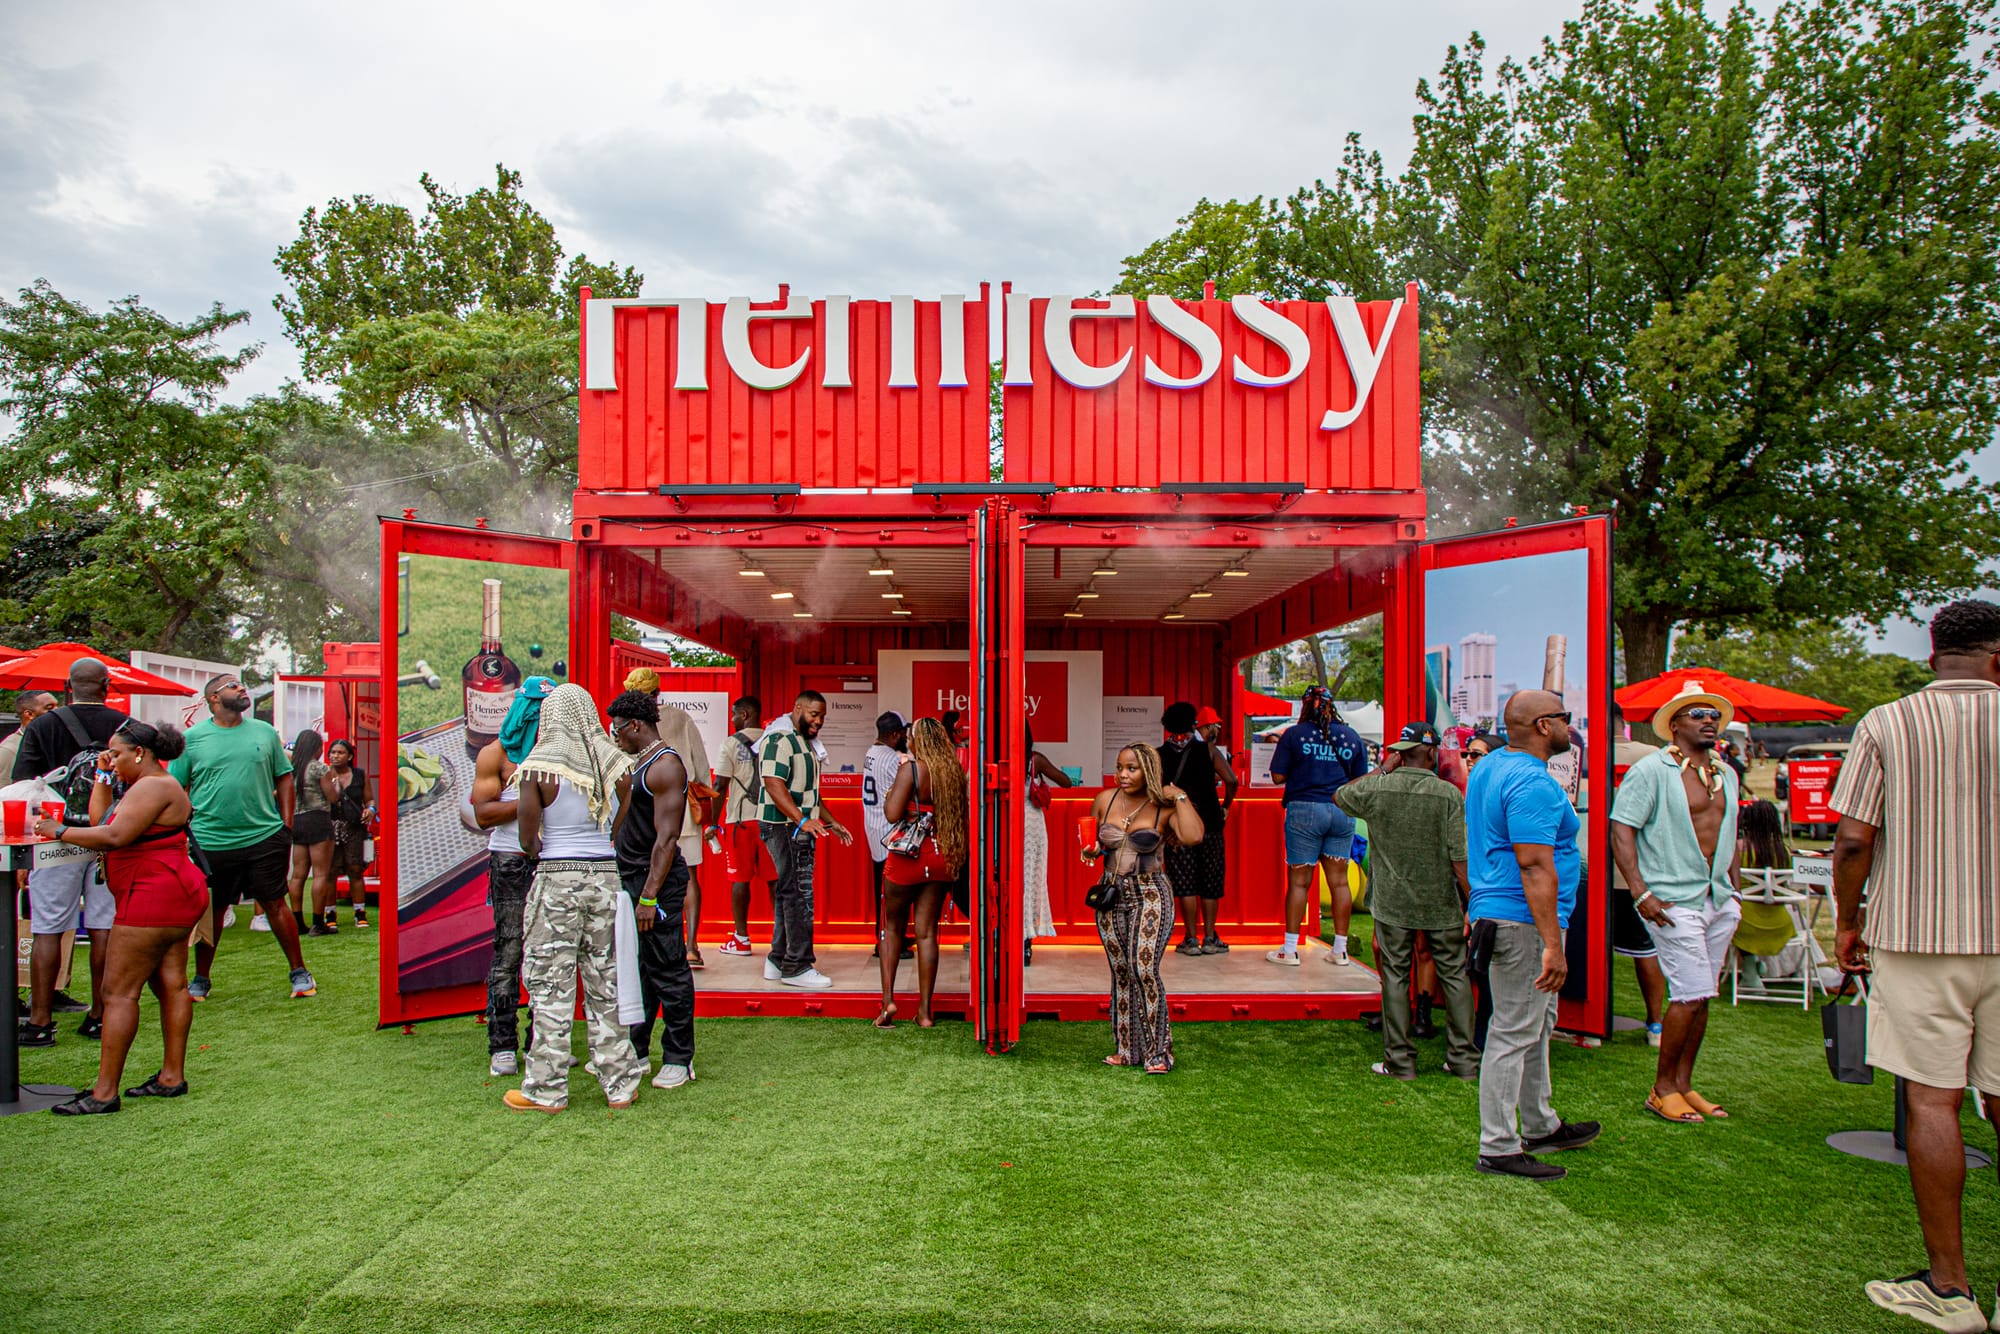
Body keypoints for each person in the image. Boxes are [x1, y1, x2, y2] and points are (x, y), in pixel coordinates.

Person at [1828, 600, 2000, 1333]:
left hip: (1918, 933)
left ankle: (1951, 1288)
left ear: (1931, 657)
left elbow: (1852, 841)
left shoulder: (1887, 722)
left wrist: (1846, 919)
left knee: (1933, 1102)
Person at [34, 720, 207, 1114]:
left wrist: (57, 830)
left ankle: (104, 1093)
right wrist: (101, 774)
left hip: (153, 894)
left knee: (117, 993)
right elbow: (102, 822)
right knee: (171, 985)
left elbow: (113, 837)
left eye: (117, 753)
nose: (112, 760)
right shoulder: (146, 785)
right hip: (170, 891)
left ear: (140, 753)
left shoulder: (153, 786)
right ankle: (171, 1077)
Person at [1467, 689, 1600, 1180]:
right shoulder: (1530, 783)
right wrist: (1553, 943)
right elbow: (1535, 864)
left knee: (1536, 1024)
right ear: (1545, 726)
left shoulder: (1490, 767)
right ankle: (1499, 1145)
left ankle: (1541, 1122)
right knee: (1514, 1029)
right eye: (1565, 719)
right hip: (1522, 921)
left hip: (1501, 913)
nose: (1571, 727)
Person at [506, 683, 644, 1113]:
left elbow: (528, 839)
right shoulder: (615, 765)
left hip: (556, 880)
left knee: (551, 985)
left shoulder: (538, 769)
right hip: (605, 876)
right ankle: (620, 1084)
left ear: (550, 717)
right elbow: (619, 820)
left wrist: (546, 847)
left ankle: (546, 1090)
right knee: (606, 982)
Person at [1611, 682, 1742, 1125]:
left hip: (1717, 897)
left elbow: (1730, 835)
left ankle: (1685, 1084)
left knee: (1703, 994)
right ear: (1675, 725)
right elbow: (1621, 828)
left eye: (1713, 714)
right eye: (1698, 714)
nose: (1709, 720)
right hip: (1671, 898)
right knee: (1687, 994)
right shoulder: (1652, 770)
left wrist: (1734, 892)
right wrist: (1640, 891)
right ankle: (1662, 1087)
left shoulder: (1727, 774)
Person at [1336, 722, 1478, 1081]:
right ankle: (1462, 1060)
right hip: (1440, 901)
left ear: (1401, 753)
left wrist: (1384, 768)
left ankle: (1399, 1062)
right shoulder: (1447, 795)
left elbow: (1341, 796)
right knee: (1455, 977)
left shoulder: (1380, 790)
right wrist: (1471, 901)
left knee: (1395, 978)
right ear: (1430, 752)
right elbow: (1458, 855)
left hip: (1392, 902)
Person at [174, 674, 314, 1000]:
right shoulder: (192, 739)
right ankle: (201, 979)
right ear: (213, 698)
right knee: (213, 911)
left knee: (275, 904)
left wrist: (286, 825)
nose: (242, 689)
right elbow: (177, 787)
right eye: (233, 686)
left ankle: (300, 972)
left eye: (241, 685)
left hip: (264, 837)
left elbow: (285, 778)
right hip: (211, 842)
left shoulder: (264, 733)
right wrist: (183, 829)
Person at [14, 659, 129, 1043]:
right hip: (106, 836)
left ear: (68, 686)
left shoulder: (44, 725)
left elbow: (23, 785)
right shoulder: (123, 727)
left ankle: (41, 1020)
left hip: (55, 838)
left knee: (48, 928)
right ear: (106, 685)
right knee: (103, 928)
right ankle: (100, 1014)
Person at [1082, 742, 1203, 1073]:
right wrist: (1091, 851)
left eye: (1131, 768)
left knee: (1144, 969)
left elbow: (1193, 836)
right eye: (1119, 767)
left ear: (1148, 770)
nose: (1122, 774)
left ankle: (1158, 1052)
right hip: (1111, 892)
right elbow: (1092, 842)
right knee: (1121, 971)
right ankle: (1126, 1048)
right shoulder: (1105, 801)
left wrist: (1179, 796)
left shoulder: (1162, 805)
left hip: (1150, 892)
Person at [607, 690, 696, 1090]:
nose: (616, 735)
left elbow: (667, 838)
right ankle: (637, 1052)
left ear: (636, 725)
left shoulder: (665, 767)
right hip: (632, 879)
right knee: (640, 971)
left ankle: (680, 1058)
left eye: (619, 728)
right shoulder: (639, 763)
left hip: (654, 883)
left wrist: (648, 896)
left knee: (668, 969)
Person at [469, 676, 552, 1077]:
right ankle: (502, 1044)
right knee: (509, 951)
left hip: (553, 857)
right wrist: (532, 801)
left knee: (551, 952)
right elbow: (483, 812)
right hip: (510, 858)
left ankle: (542, 1042)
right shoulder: (496, 754)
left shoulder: (561, 750)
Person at [876, 716, 969, 1027]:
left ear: (917, 741)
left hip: (907, 857)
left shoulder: (912, 769)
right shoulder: (954, 771)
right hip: (942, 856)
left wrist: (894, 796)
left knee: (892, 929)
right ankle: (925, 1012)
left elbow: (891, 815)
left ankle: (888, 1003)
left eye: (910, 737)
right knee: (927, 933)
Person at [1267, 685, 1369, 966]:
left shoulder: (1294, 735)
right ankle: (1340, 949)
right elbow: (1361, 778)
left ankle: (1289, 949)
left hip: (1305, 810)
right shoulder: (1350, 736)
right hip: (1341, 811)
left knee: (1299, 882)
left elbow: (1277, 776)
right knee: (1339, 881)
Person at [758, 690, 853, 989]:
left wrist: (832, 821)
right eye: (814, 714)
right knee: (799, 894)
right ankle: (797, 966)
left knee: (789, 892)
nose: (819, 721)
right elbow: (773, 783)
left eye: (822, 716)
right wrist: (802, 820)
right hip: (783, 826)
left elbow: (810, 794)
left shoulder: (804, 742)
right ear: (797, 707)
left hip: (795, 826)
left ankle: (778, 959)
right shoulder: (779, 737)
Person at [1609, 703, 1668, 1047]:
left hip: (1594, 869)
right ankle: (1655, 1024)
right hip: (1637, 872)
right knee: (1645, 951)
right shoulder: (1653, 756)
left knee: (1590, 948)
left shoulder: (1584, 754)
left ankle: (1590, 1022)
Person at [1159, 701, 1235, 957]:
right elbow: (1232, 780)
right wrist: (1225, 806)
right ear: (1193, 723)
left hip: (1178, 826)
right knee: (1210, 881)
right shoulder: (1209, 751)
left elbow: (1157, 792)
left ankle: (1190, 938)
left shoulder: (1159, 754)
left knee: (1185, 882)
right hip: (1210, 823)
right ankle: (1211, 937)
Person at [653, 698, 714, 969]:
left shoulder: (624, 720)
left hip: (646, 810)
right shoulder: (681, 717)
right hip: (684, 807)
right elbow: (701, 767)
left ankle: (657, 945)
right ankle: (691, 947)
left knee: (648, 874)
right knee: (689, 876)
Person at [712, 696, 773, 959]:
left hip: (740, 821)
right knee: (775, 881)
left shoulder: (730, 744)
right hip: (771, 820)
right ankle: (781, 938)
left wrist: (712, 823)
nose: (732, 719)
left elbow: (719, 786)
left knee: (739, 880)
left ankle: (741, 938)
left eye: (735, 714)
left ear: (746, 714)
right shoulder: (773, 740)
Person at [861, 711, 911, 960]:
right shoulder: (892, 758)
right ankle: (886, 944)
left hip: (874, 828)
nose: (905, 736)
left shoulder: (872, 752)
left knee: (884, 890)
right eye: (902, 732)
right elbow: (909, 788)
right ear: (894, 735)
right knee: (890, 894)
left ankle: (892, 938)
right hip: (889, 832)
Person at [1021, 721, 1072, 965]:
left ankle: (1005, 938)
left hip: (1006, 823)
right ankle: (1025, 943)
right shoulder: (1034, 759)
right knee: (1030, 881)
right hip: (1031, 824)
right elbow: (1065, 781)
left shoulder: (997, 758)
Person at [285, 731, 338, 936]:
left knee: (298, 875)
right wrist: (335, 783)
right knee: (321, 873)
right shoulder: (319, 768)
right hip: (318, 819)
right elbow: (332, 797)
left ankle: (297, 921)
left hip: (297, 820)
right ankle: (318, 922)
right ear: (316, 747)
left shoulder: (291, 768)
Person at [321, 739, 373, 927]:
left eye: (340, 752)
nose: (335, 756)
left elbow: (369, 800)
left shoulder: (360, 775)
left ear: (349, 756)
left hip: (354, 828)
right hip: (330, 828)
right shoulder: (324, 775)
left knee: (355, 870)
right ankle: (330, 914)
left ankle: (360, 912)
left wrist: (371, 811)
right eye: (332, 752)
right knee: (330, 872)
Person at [0, 690, 56, 783]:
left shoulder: (50, 740)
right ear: (29, 714)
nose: (57, 711)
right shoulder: (9, 750)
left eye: (57, 706)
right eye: (49, 708)